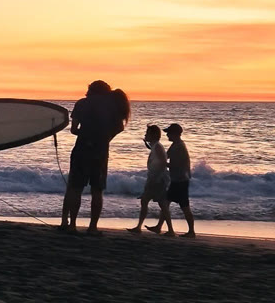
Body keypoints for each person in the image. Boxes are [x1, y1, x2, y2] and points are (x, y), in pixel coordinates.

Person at [60, 80, 130, 234]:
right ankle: (92, 227)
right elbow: (119, 127)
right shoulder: (112, 107)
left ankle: (72, 225)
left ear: (91, 90)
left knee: (75, 188)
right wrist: (105, 138)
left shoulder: (82, 103)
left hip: (82, 148)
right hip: (100, 151)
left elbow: (73, 129)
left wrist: (85, 134)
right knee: (97, 190)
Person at [147, 123, 196, 237]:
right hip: (177, 179)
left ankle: (191, 232)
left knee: (184, 207)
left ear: (175, 134)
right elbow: (165, 156)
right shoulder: (175, 145)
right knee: (166, 203)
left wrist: (163, 164)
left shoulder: (179, 147)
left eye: (169, 133)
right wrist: (153, 146)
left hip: (180, 180)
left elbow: (175, 164)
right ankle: (160, 227)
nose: (167, 135)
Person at [127, 125, 172, 235]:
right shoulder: (155, 146)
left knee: (159, 204)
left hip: (157, 180)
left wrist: (156, 179)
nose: (145, 134)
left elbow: (162, 162)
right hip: (155, 179)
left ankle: (170, 230)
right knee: (150, 202)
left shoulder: (157, 147)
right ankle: (141, 227)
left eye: (148, 133)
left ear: (154, 135)